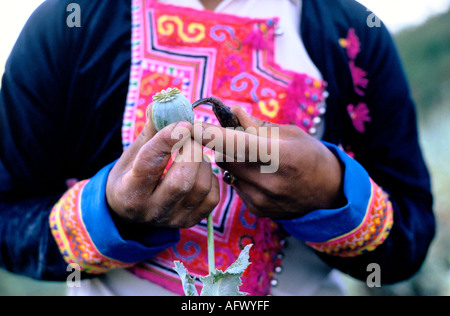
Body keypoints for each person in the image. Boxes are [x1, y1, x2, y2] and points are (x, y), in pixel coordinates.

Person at [0, 0, 435, 296]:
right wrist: (111, 210)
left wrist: (330, 192)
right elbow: (8, 216)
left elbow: (411, 234)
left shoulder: (353, 35)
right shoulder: (68, 24)